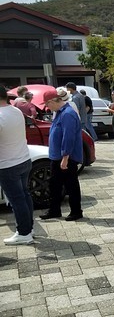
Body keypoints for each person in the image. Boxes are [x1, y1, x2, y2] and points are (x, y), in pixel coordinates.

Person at [39, 89, 84, 221]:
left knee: (71, 185)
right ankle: (54, 210)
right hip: (57, 156)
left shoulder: (68, 114)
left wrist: (65, 157)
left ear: (53, 101)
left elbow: (68, 137)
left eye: (47, 104)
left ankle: (76, 211)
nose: (47, 107)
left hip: (66, 157)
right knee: (55, 184)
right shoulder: (60, 113)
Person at [0, 86, 34, 245]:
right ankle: (29, 228)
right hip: (23, 159)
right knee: (24, 196)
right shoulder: (16, 111)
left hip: (7, 164)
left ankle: (24, 232)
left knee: (17, 199)